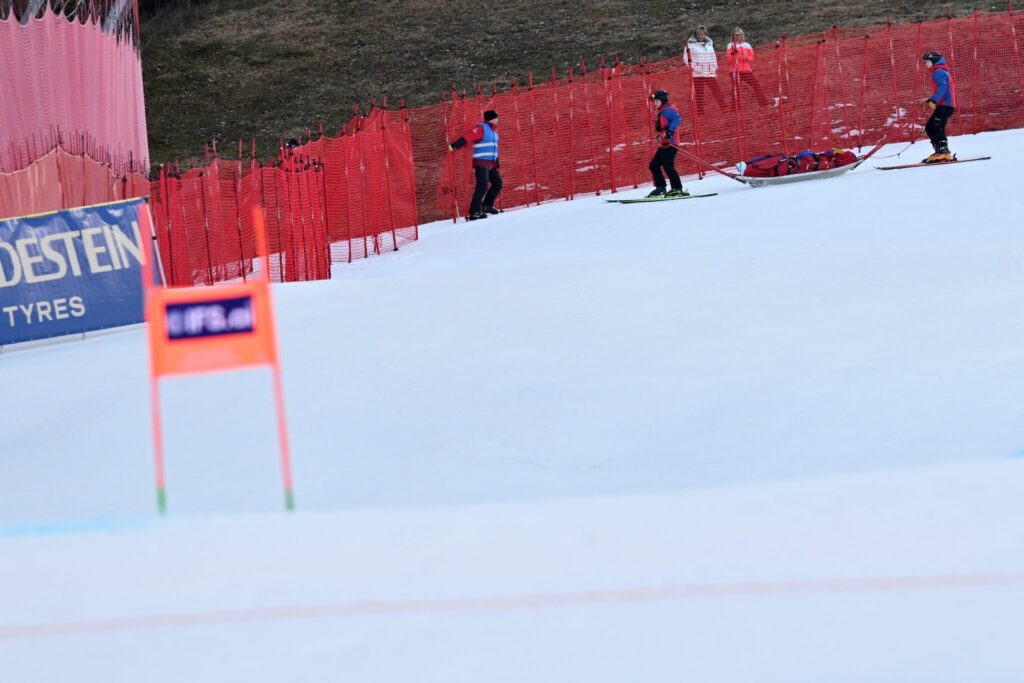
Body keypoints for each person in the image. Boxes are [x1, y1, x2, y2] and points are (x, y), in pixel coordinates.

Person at [448, 109, 503, 220]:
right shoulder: (481, 128)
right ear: (491, 119)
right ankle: (474, 212)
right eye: (496, 117)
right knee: (482, 185)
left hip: (491, 163)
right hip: (481, 162)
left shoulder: (493, 131)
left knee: (497, 183)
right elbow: (467, 137)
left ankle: (487, 206)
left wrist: (496, 162)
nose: (498, 119)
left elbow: (494, 147)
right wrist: (454, 146)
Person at [648, 90, 686, 197]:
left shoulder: (668, 110)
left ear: (663, 100)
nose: (654, 103)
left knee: (668, 166)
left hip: (671, 144)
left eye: (656, 101)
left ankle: (677, 189)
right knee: (653, 165)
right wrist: (661, 134)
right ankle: (661, 188)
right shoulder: (663, 111)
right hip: (665, 144)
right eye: (654, 101)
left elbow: (677, 119)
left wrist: (670, 132)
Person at [683, 25, 727, 115]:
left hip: (709, 71)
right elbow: (685, 57)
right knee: (699, 92)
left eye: (702, 34)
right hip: (697, 72)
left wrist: (715, 67)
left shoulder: (710, 44)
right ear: (695, 35)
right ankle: (700, 111)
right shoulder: (690, 44)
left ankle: (724, 108)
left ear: (705, 35)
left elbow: (713, 56)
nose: (700, 36)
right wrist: (692, 67)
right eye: (698, 34)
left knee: (716, 90)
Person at [921, 51, 956, 163]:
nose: (926, 64)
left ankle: (944, 152)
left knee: (936, 126)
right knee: (930, 127)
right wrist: (929, 100)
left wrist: (933, 100)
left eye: (927, 61)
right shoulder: (940, 71)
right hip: (944, 105)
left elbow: (943, 87)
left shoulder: (938, 72)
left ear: (934, 61)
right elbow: (943, 89)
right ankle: (939, 151)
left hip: (945, 105)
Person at [727, 28, 770, 107]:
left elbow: (751, 57)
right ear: (733, 36)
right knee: (736, 89)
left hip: (746, 70)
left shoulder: (747, 45)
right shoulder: (730, 45)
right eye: (736, 35)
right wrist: (738, 56)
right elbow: (730, 59)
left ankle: (764, 103)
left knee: (756, 85)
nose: (738, 37)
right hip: (735, 71)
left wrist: (742, 56)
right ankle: (735, 107)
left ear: (742, 35)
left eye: (739, 35)